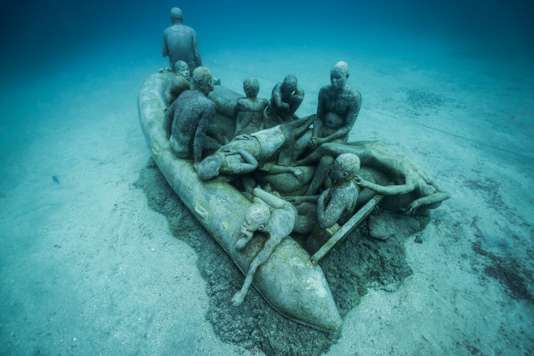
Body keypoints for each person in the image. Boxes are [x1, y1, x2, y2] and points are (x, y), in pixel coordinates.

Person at [232, 188, 297, 306]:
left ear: (261, 228)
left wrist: (242, 294)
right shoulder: (260, 222)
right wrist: (247, 236)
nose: (244, 224)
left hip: (287, 208)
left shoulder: (275, 235)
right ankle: (264, 201)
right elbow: (238, 247)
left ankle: (265, 201)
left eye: (247, 223)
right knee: (256, 191)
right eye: (246, 220)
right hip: (277, 208)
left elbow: (254, 266)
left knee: (256, 197)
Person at [196, 116, 314, 181]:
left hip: (254, 138)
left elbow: (227, 147)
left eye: (208, 159)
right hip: (263, 147)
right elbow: (254, 165)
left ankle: (312, 117)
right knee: (287, 135)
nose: (214, 157)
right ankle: (310, 122)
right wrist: (240, 151)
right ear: (216, 172)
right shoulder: (233, 167)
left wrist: (238, 139)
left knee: (283, 127)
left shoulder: (217, 156)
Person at [168, 67, 215, 164]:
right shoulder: (209, 105)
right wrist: (197, 162)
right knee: (218, 146)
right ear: (209, 83)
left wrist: (167, 136)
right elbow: (199, 136)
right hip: (183, 151)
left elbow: (168, 116)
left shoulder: (184, 94)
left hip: (172, 142)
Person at [311, 61, 361, 146]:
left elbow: (347, 127)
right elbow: (319, 117)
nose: (334, 81)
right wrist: (314, 136)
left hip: (338, 136)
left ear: (347, 76)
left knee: (326, 157)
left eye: (338, 78)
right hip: (321, 129)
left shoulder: (354, 97)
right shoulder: (324, 91)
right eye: (331, 77)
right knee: (299, 144)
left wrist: (324, 140)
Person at [316, 153, 360, 229]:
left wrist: (320, 200)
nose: (331, 168)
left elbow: (324, 224)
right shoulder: (348, 183)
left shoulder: (341, 195)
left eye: (334, 167)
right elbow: (329, 193)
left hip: (334, 223)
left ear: (344, 174)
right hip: (332, 209)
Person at [162, 7, 202, 72]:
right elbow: (196, 54)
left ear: (171, 19)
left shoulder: (166, 32)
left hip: (175, 70)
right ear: (182, 17)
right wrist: (200, 69)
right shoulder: (191, 31)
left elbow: (164, 54)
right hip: (191, 69)